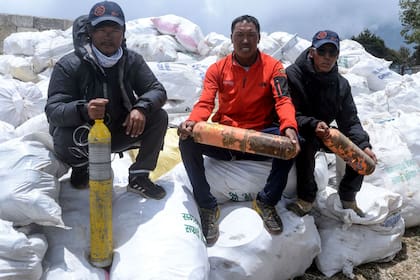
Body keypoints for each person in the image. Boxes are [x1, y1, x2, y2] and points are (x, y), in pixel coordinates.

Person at [177, 15, 300, 246]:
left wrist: (289, 128)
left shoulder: (274, 67)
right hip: (227, 137)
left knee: (291, 143)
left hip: (261, 137)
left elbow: (283, 100)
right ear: (231, 39)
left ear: (259, 38)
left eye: (250, 35)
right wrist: (192, 122)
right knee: (188, 141)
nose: (245, 40)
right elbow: (205, 102)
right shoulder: (217, 69)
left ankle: (266, 201)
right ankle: (206, 205)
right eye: (239, 35)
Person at [45, 1, 168, 199]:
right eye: (101, 29)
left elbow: (157, 90)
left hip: (120, 132)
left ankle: (139, 176)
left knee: (159, 116)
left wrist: (141, 109)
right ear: (90, 32)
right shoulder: (69, 65)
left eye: (114, 30)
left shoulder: (132, 61)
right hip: (84, 137)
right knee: (63, 133)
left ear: (123, 32)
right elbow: (53, 110)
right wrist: (84, 110)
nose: (108, 35)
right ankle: (81, 169)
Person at [285, 30, 377, 217]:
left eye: (332, 53)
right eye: (322, 52)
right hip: (298, 129)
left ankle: (348, 198)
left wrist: (363, 145)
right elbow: (287, 111)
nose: (327, 57)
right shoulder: (293, 75)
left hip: (324, 132)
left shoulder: (341, 85)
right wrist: (312, 124)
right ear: (312, 52)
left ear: (337, 56)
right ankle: (306, 199)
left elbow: (350, 121)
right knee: (306, 143)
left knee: (355, 150)